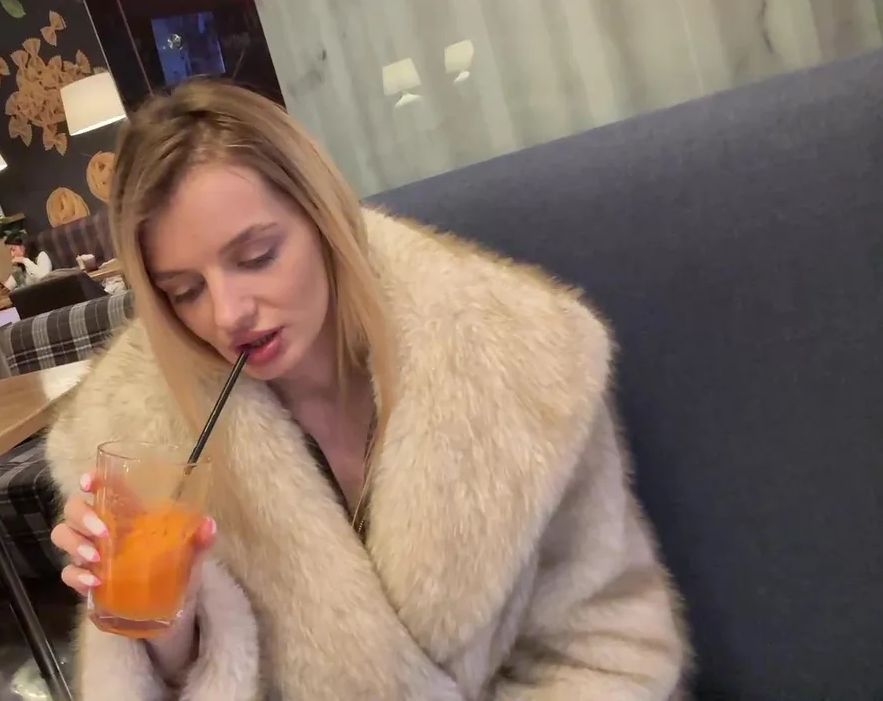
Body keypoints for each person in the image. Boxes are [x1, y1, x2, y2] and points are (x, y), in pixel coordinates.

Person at [47, 80, 687, 699]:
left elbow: (610, 647)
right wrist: (171, 625)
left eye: (258, 256)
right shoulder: (139, 441)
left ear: (325, 221)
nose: (227, 313)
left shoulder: (523, 366)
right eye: (186, 291)